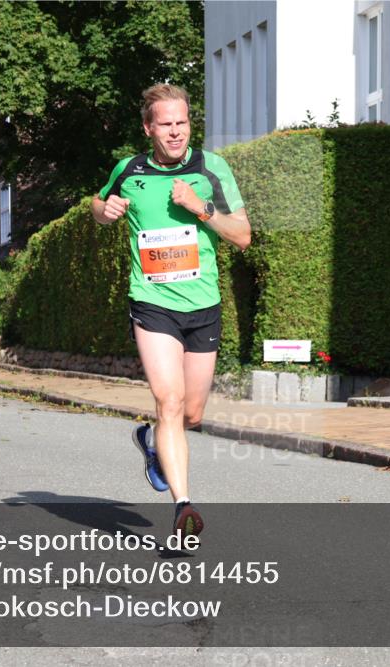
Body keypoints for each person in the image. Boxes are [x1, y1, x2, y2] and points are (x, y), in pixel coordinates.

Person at [92, 84, 251, 538]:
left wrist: (200, 207)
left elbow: (242, 236)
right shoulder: (129, 169)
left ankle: (150, 440)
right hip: (152, 302)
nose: (176, 131)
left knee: (191, 415)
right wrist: (105, 210)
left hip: (203, 305)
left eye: (182, 122)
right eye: (166, 124)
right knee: (169, 401)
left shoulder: (211, 168)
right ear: (149, 128)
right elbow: (98, 204)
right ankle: (183, 509)